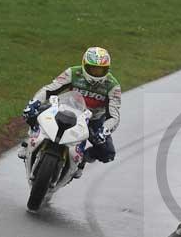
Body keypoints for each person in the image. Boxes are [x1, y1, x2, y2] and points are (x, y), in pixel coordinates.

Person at [18, 47, 122, 178]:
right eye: (93, 69)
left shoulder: (113, 86)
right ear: (84, 65)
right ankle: (28, 141)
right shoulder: (73, 72)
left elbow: (114, 116)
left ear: (107, 69)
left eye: (101, 70)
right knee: (31, 112)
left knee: (108, 153)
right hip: (65, 108)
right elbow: (50, 89)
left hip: (93, 119)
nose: (96, 73)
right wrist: (35, 102)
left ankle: (82, 159)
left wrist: (104, 130)